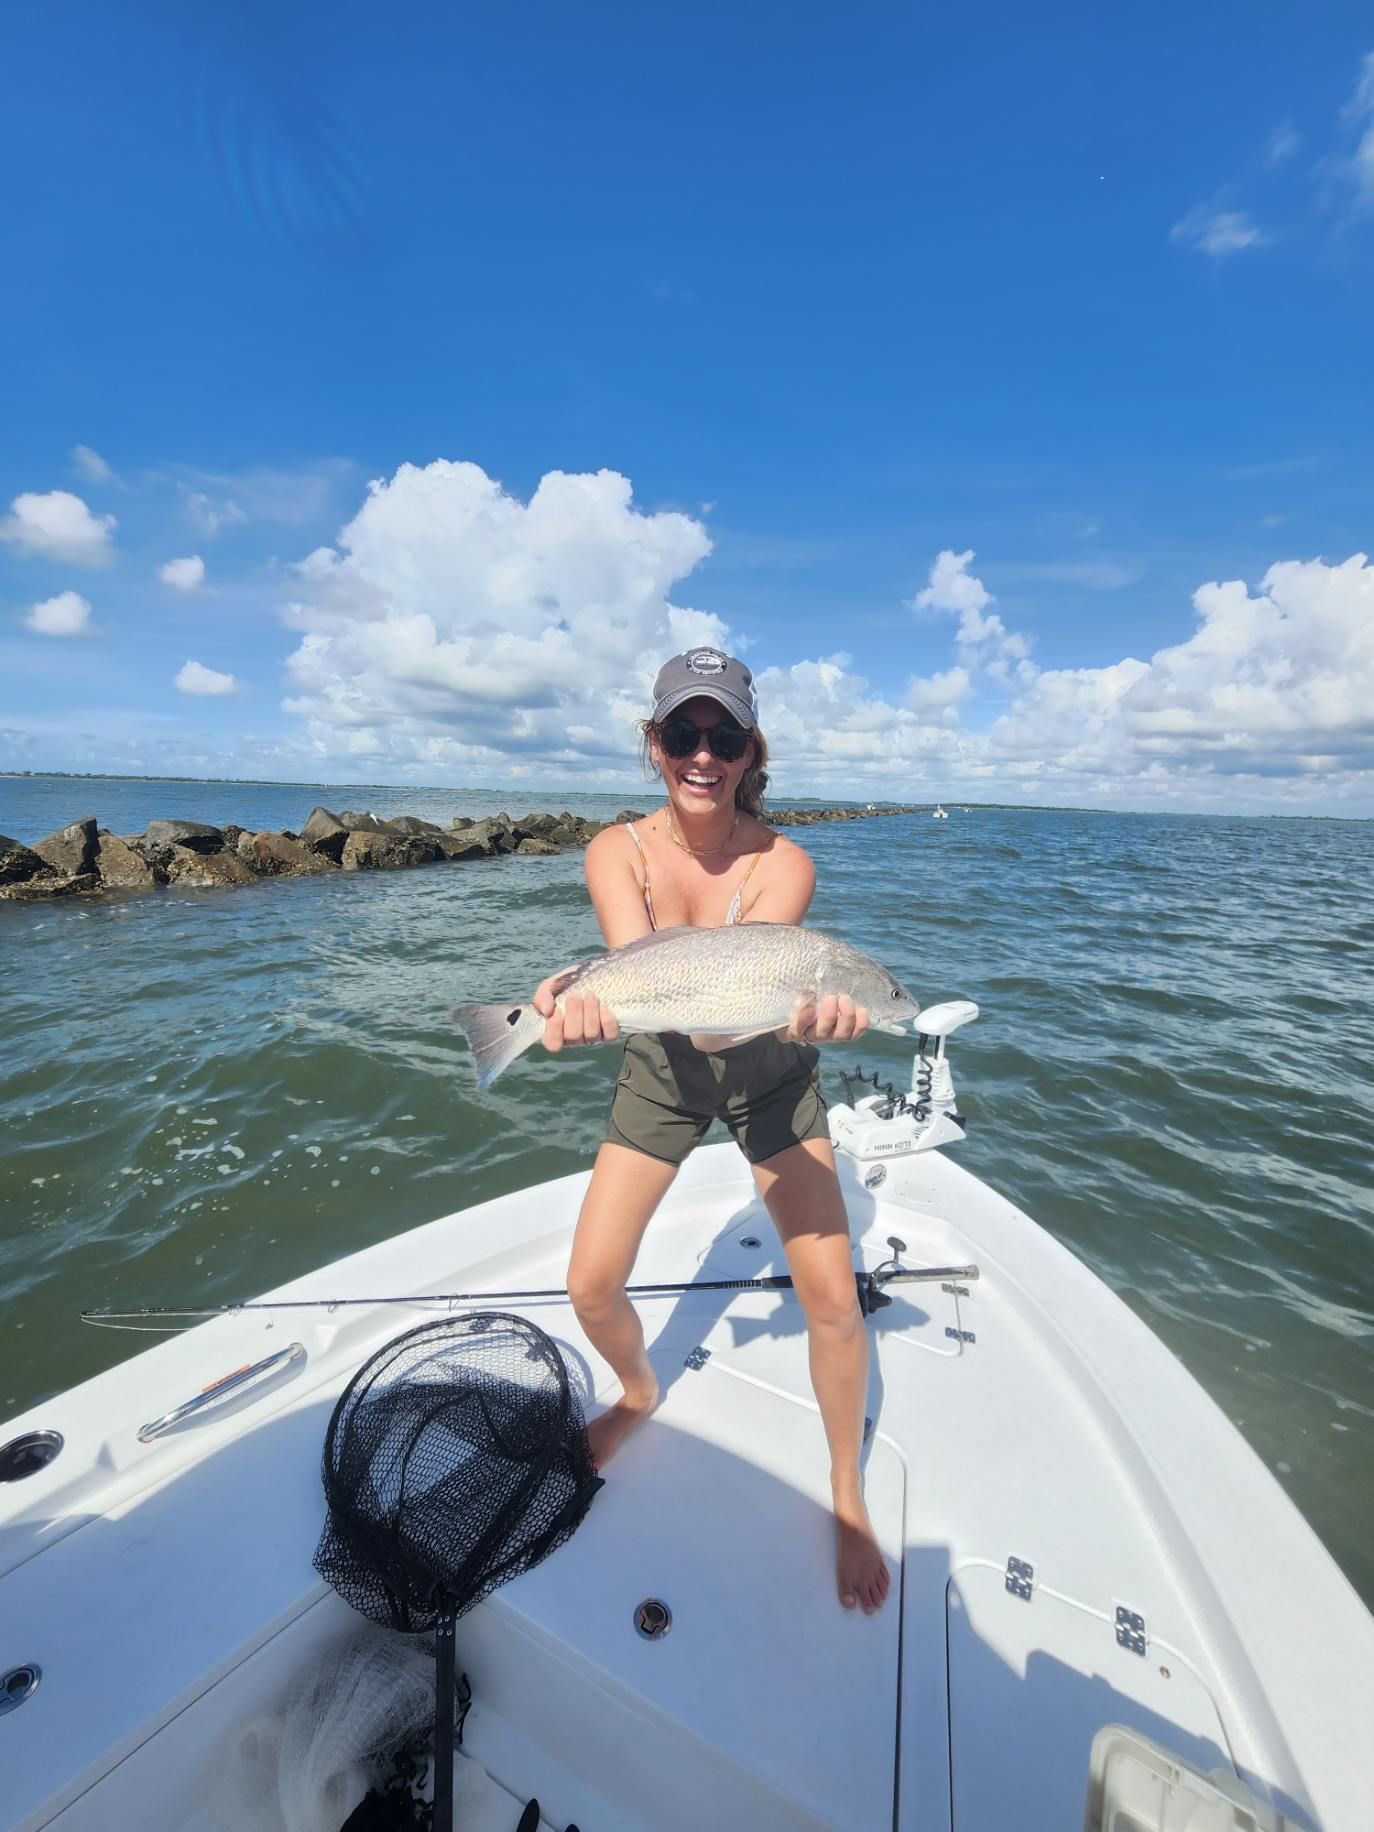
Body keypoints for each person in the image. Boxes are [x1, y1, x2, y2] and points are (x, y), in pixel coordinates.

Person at [532, 647, 891, 1615]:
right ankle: (638, 1391)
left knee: (829, 1295)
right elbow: (643, 976)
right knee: (591, 1283)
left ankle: (848, 1494)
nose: (703, 753)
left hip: (770, 1073)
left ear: (748, 750)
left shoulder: (788, 862)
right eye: (683, 732)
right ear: (653, 744)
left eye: (723, 735)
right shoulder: (618, 849)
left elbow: (742, 996)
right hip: (661, 1068)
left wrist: (817, 1012)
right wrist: (575, 999)